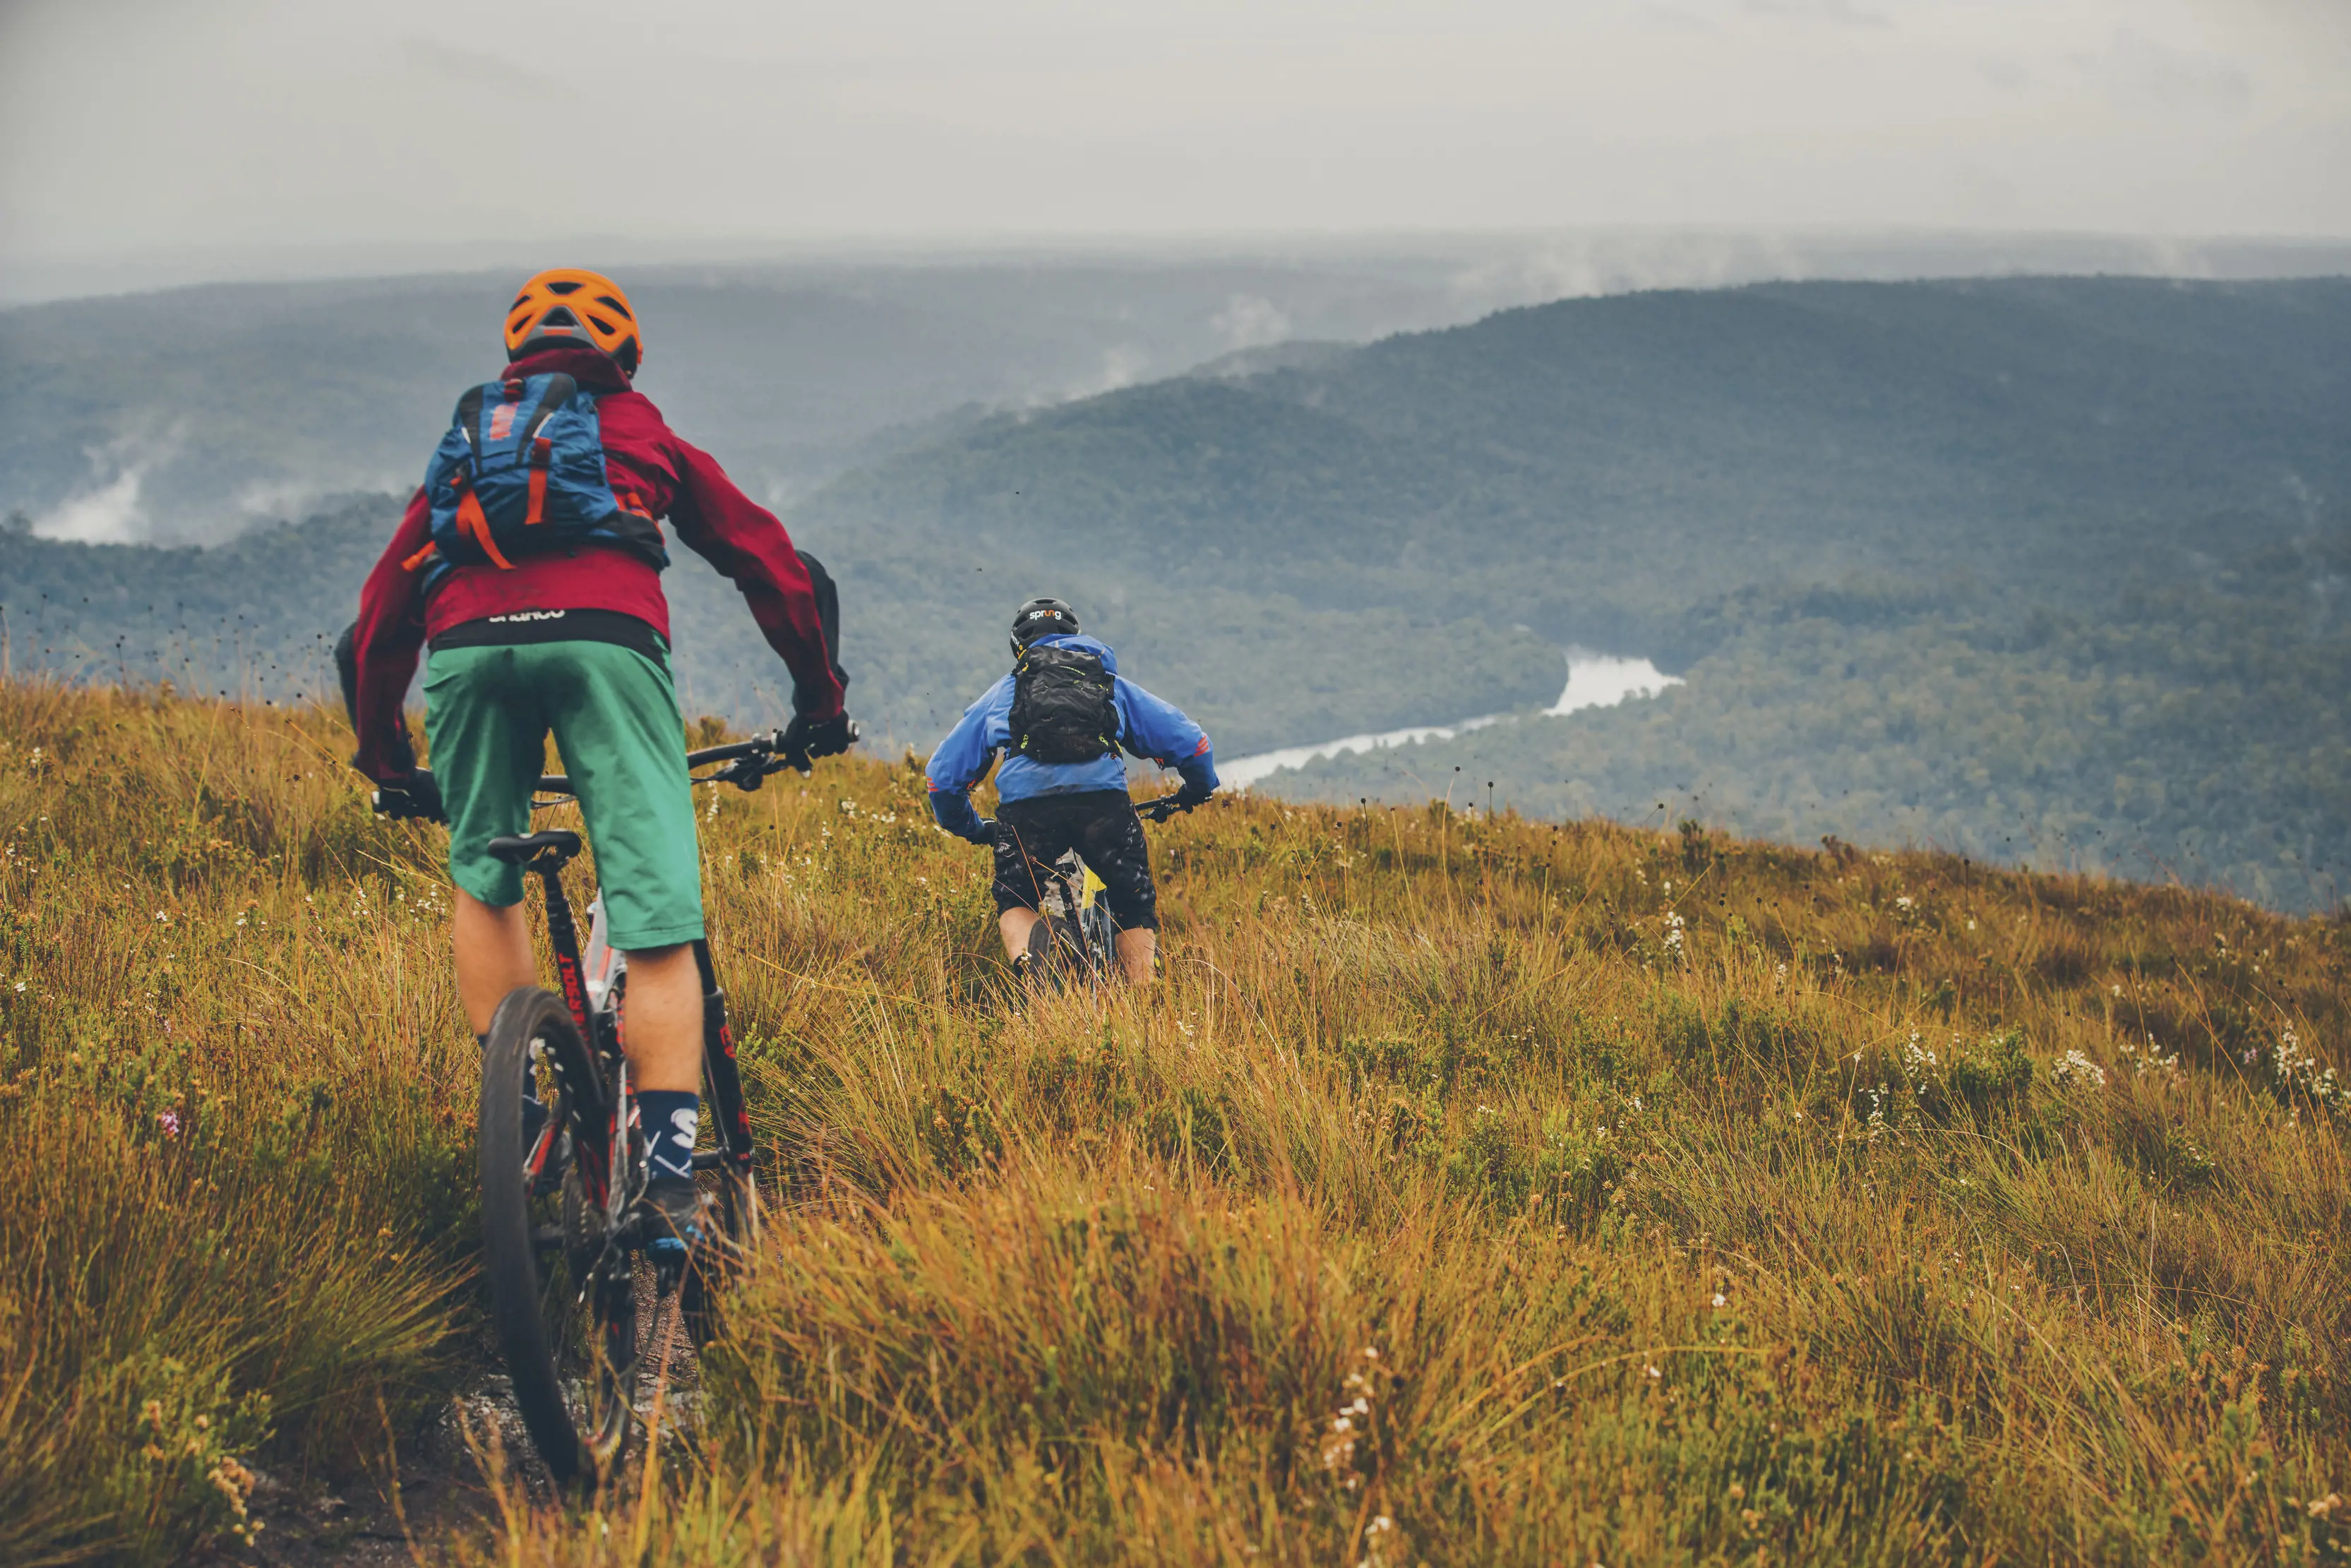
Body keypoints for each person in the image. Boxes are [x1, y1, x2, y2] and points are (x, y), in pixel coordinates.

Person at [345, 268, 853, 1259]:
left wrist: (387, 758)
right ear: (624, 355)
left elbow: (377, 618)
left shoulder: (471, 445)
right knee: (656, 915)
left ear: (514, 359)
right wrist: (817, 703)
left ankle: (523, 1115)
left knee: (482, 878)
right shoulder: (642, 429)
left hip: (465, 655)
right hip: (605, 646)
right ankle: (667, 1185)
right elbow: (771, 564)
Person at [926, 597, 1217, 986]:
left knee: (1017, 899)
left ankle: (1036, 966)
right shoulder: (1109, 684)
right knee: (1133, 906)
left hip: (1028, 812)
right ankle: (1141, 999)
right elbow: (1193, 744)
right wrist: (1196, 789)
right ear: (1076, 639)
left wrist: (974, 828)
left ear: (1018, 647)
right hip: (1105, 807)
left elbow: (941, 779)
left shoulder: (1003, 694)